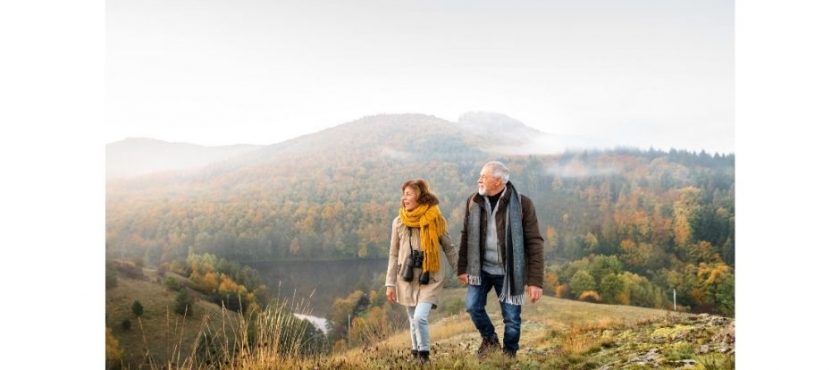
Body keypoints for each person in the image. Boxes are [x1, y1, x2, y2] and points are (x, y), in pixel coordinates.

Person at [457, 161, 544, 359]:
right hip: (481, 269)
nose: (479, 180)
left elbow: (535, 243)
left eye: (483, 176)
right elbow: (466, 235)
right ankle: (490, 340)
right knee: (472, 306)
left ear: (497, 181)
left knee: (512, 319)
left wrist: (535, 281)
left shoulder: (523, 204)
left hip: (509, 272)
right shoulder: (473, 201)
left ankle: (509, 353)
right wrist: (462, 268)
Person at [385, 179, 458, 364]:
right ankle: (415, 353)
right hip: (406, 276)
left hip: (430, 276)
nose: (404, 198)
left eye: (408, 194)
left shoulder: (436, 220)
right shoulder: (399, 222)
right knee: (412, 318)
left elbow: (449, 248)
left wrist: (460, 271)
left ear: (420, 196)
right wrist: (390, 283)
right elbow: (393, 254)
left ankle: (424, 357)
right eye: (404, 194)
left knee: (419, 317)